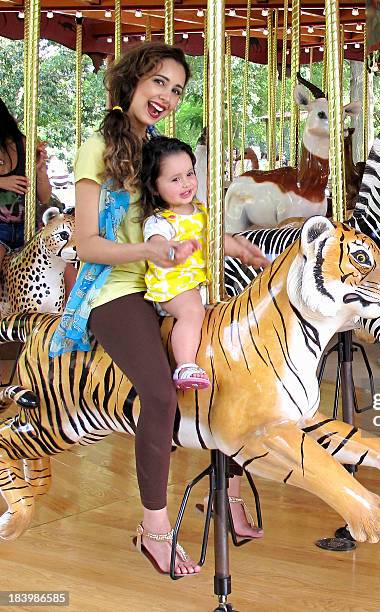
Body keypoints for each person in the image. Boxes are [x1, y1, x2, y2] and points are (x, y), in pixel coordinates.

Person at [49, 43, 266, 577]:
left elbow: (186, 214)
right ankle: (153, 527)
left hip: (162, 280)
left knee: (232, 369)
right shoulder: (95, 149)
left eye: (176, 89)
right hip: (115, 286)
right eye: (159, 83)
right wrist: (149, 251)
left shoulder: (156, 149)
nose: (166, 96)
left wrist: (237, 245)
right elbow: (87, 243)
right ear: (132, 81)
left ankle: (230, 494)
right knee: (160, 391)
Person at [140, 137, 211, 390]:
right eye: (174, 179)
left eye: (189, 174)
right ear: (155, 187)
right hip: (173, 287)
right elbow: (157, 245)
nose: (186, 183)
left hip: (200, 282)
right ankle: (185, 365)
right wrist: (173, 250)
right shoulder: (160, 221)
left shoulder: (201, 210)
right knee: (193, 310)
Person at [0, 96, 52, 267]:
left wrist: (40, 169)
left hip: (28, 229)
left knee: (66, 273)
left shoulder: (24, 146)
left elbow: (44, 198)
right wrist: (2, 183)